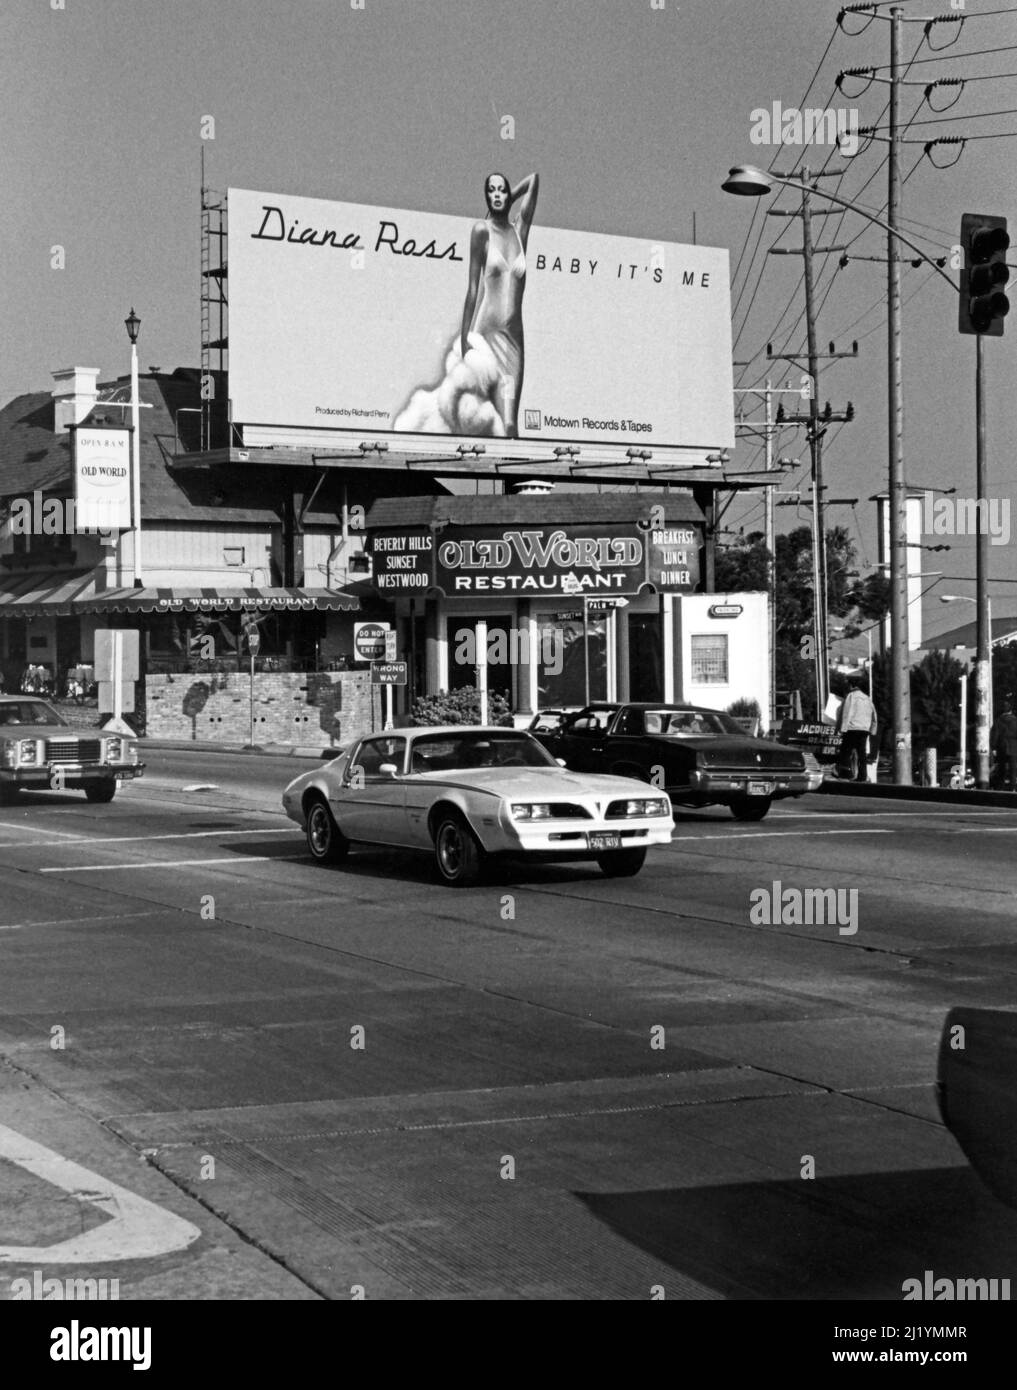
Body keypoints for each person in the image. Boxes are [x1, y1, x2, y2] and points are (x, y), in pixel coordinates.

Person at [394, 172, 539, 439]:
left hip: (513, 340)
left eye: (502, 190)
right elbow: (473, 290)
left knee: (510, 426)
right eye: (492, 191)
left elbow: (533, 180)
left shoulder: (520, 232)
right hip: (485, 334)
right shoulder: (481, 231)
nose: (497, 195)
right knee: (477, 415)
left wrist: (510, 199)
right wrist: (464, 339)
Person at [837, 677, 878, 782]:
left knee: (846, 751)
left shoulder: (851, 696)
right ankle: (862, 776)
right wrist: (872, 729)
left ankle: (846, 774)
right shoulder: (867, 698)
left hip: (852, 728)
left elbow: (846, 713)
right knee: (862, 753)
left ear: (851, 685)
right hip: (864, 729)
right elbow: (874, 715)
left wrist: (842, 728)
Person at [991, 702, 1017, 790]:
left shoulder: (998, 721)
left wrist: (993, 747)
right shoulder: (1015, 721)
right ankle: (1012, 787)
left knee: (1001, 769)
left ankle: (1000, 787)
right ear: (1011, 711)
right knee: (1013, 769)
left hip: (1001, 747)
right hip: (1013, 747)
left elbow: (995, 735)